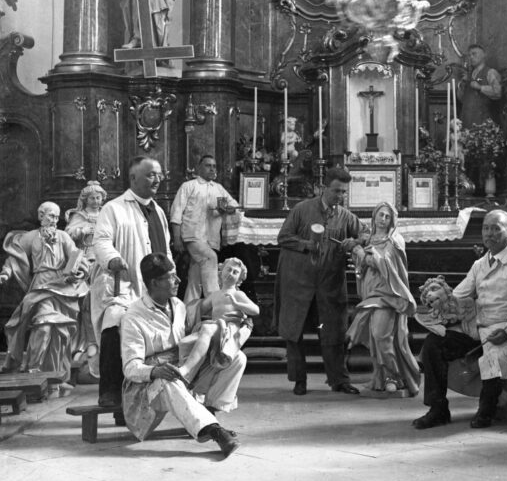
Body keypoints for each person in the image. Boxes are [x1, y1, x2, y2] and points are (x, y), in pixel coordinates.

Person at [413, 210, 507, 430]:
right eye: (485, 228)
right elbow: (459, 295)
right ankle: (438, 409)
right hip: (475, 327)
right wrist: (440, 301)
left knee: (494, 357)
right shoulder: (479, 264)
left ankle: (486, 412)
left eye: (496, 228)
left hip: (505, 327)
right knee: (434, 344)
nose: (489, 233)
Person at [120, 253, 242, 458]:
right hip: (145, 392)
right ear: (154, 282)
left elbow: (187, 342)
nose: (178, 280)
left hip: (181, 373)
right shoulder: (133, 316)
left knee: (236, 358)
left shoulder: (178, 305)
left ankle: (209, 413)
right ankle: (214, 430)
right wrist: (155, 370)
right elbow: (130, 368)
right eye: (171, 276)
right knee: (167, 378)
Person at [91, 156, 171, 407]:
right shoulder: (113, 208)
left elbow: (165, 251)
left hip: (153, 291)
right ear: (133, 178)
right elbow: (101, 240)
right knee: (115, 322)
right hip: (123, 286)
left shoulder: (158, 211)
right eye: (150, 175)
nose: (157, 179)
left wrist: (172, 273)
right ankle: (110, 392)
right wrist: (113, 258)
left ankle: (147, 395)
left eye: (159, 174)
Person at [275, 166, 362, 395]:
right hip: (298, 280)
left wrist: (355, 242)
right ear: (324, 188)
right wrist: (306, 244)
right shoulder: (302, 209)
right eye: (336, 191)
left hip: (329, 283)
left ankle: (339, 380)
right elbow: (283, 237)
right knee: (294, 331)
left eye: (344, 192)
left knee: (333, 330)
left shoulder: (345, 216)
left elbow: (365, 233)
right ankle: (299, 380)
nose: (339, 196)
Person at [0, 202, 83, 381]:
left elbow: (76, 256)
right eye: (51, 216)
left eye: (57, 217)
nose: (54, 220)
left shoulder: (63, 236)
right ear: (41, 216)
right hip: (41, 285)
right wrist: (5, 273)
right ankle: (34, 370)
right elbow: (15, 258)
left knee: (60, 332)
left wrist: (77, 271)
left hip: (62, 286)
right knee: (43, 326)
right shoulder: (31, 237)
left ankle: (54, 373)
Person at [346, 202, 420, 397]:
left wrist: (363, 255)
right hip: (371, 292)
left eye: (388, 217)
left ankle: (393, 377)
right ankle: (381, 376)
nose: (383, 219)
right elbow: (362, 269)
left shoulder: (395, 240)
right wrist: (358, 256)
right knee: (376, 337)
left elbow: (388, 265)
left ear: (392, 221)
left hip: (389, 294)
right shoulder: (368, 239)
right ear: (374, 216)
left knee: (381, 335)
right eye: (381, 215)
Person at [170, 155, 245, 303]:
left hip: (211, 238)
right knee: (211, 258)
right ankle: (217, 302)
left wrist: (228, 209)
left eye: (214, 166)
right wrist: (177, 238)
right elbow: (176, 213)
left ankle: (188, 317)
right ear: (199, 168)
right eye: (208, 165)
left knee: (195, 279)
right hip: (192, 236)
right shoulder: (189, 186)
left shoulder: (218, 188)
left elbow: (236, 207)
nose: (212, 169)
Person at [178, 258, 259, 383]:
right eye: (228, 269)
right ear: (221, 272)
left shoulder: (238, 294)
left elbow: (255, 310)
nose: (231, 273)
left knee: (207, 328)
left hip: (229, 329)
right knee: (185, 342)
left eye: (235, 272)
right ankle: (190, 378)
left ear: (239, 279)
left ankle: (187, 369)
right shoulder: (215, 295)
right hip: (216, 327)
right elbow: (198, 308)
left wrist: (237, 304)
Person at [65, 180, 107, 377]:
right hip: (83, 261)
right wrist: (82, 230)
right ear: (85, 199)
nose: (96, 200)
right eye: (92, 197)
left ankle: (100, 342)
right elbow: (68, 234)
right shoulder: (79, 215)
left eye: (99, 197)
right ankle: (89, 342)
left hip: (103, 261)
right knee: (86, 302)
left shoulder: (106, 214)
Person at [457, 44, 502, 127]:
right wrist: (463, 84)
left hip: (483, 122)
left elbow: (498, 93)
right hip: (466, 120)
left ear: (483, 55)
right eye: (469, 55)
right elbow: (461, 99)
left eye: (474, 54)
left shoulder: (490, 72)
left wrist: (480, 87)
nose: (471, 57)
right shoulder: (468, 76)